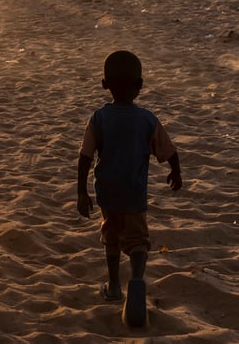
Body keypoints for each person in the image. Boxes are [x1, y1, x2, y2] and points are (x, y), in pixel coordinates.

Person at [76, 50, 181, 327]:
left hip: (107, 193)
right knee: (138, 240)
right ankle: (136, 279)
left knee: (111, 236)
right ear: (140, 85)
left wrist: (81, 192)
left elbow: (85, 157)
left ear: (104, 84)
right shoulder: (147, 119)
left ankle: (113, 286)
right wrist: (176, 172)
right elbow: (169, 152)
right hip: (134, 193)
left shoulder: (98, 118)